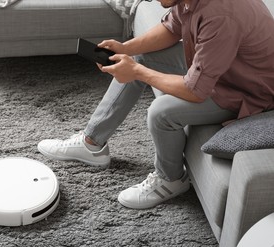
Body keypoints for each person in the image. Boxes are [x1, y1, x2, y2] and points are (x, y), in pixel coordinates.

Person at [37, 0, 274, 209]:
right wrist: (126, 48)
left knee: (161, 113)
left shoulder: (220, 16)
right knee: (137, 57)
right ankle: (92, 143)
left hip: (246, 88)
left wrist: (138, 73)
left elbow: (196, 90)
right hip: (220, 64)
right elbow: (172, 28)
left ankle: (171, 180)